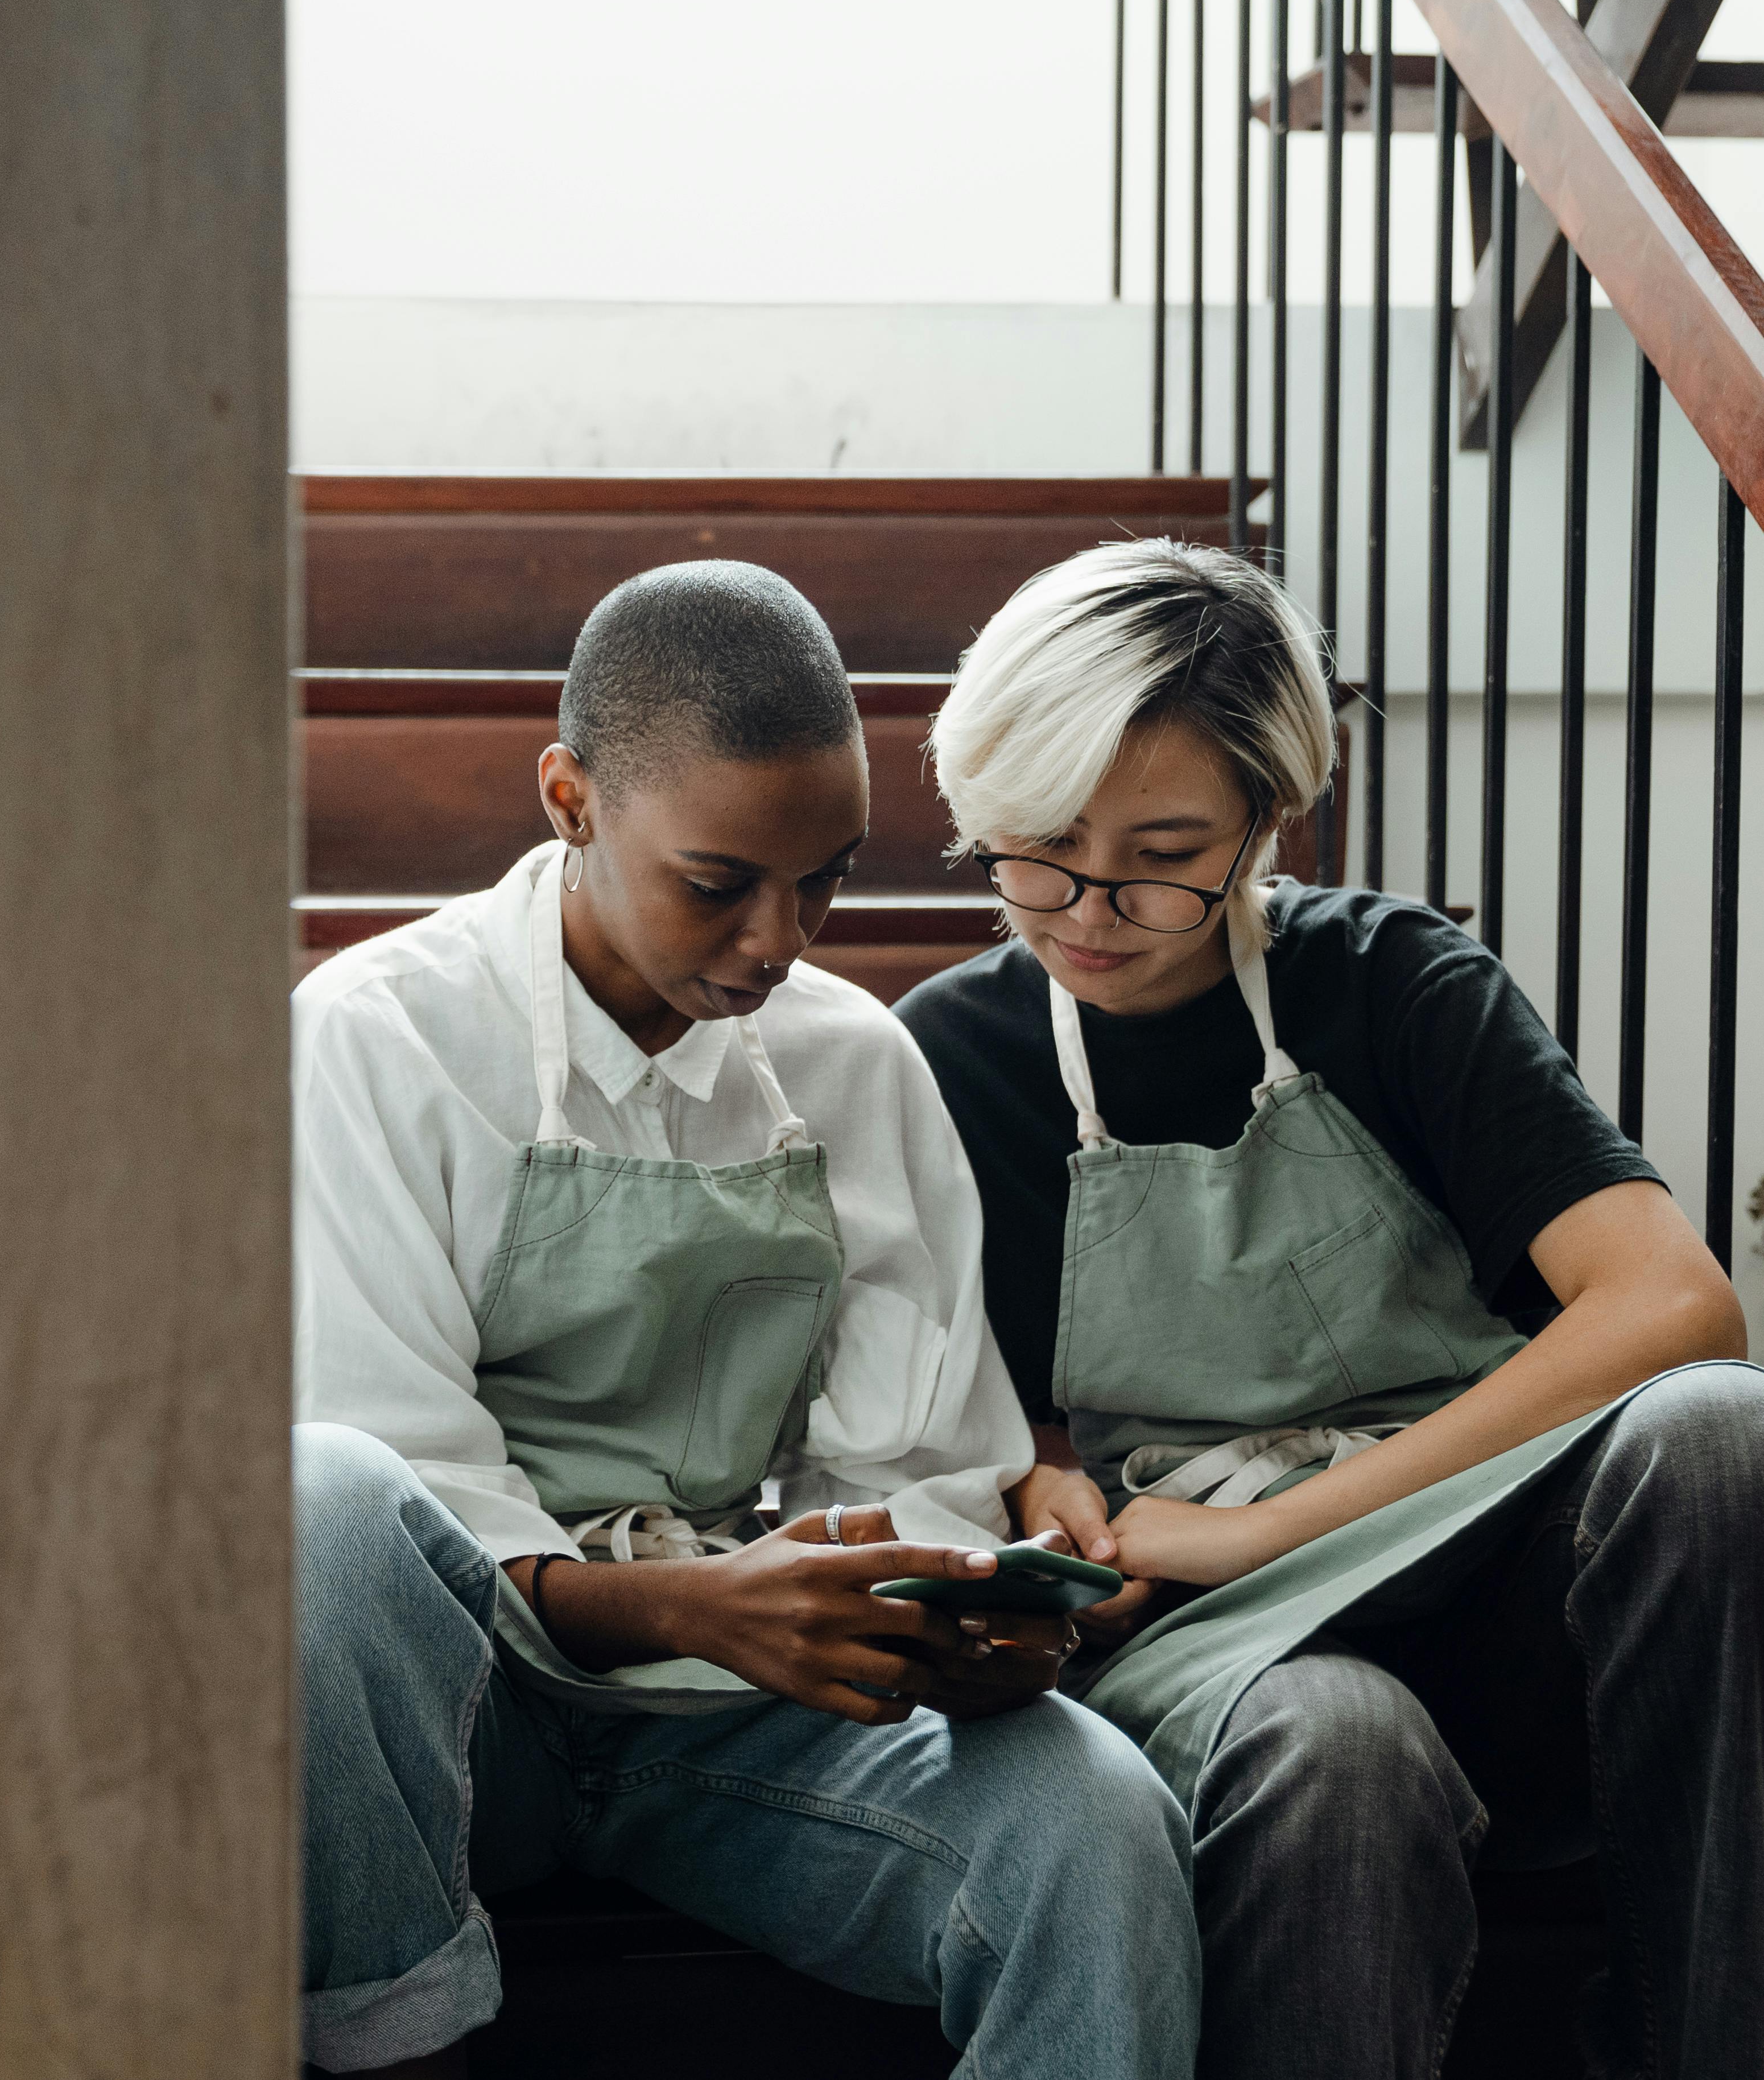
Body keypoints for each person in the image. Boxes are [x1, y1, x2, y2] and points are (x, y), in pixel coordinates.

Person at [294, 561, 1203, 2080]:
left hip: (735, 1707)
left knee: (1092, 1818)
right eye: (718, 882)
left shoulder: (854, 1061)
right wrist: (682, 1604)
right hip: (447, 1726)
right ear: (569, 797)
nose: (782, 938)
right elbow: (387, 1521)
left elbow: (908, 1466)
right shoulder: (375, 1039)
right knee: (318, 1504)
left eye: (828, 876)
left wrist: (946, 1619)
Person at [897, 536, 1764, 2080]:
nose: (1088, 905)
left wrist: (1265, 1527)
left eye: (1165, 850)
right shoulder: (942, 1058)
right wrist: (1041, 1485)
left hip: (1485, 1573)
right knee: (1339, 1749)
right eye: (1034, 844)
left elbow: (1675, 1310)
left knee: (1712, 1438)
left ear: (1266, 818)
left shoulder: (1396, 983)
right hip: (1222, 1642)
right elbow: (954, 1423)